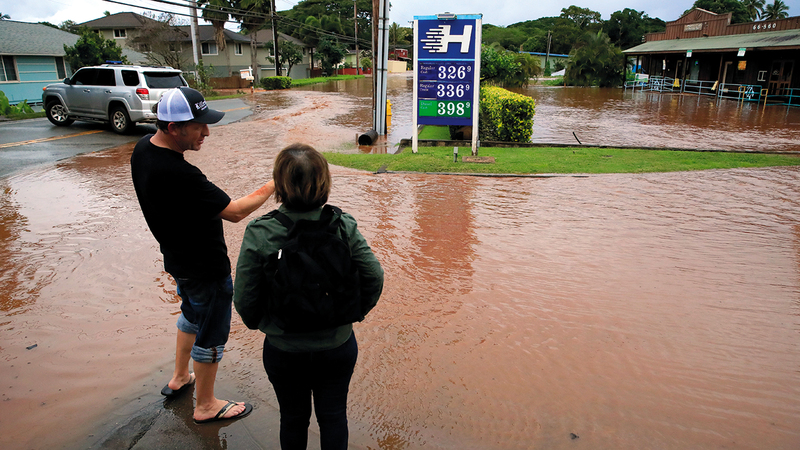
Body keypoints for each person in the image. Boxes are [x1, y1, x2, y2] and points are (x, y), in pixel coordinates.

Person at [130, 86, 275, 424]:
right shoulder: (180, 174)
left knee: (191, 316)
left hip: (178, 261)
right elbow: (236, 211)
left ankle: (180, 376)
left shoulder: (143, 149)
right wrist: (274, 184)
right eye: (199, 126)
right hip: (206, 268)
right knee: (211, 332)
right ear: (173, 128)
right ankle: (206, 405)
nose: (207, 132)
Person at [234, 143, 384, 449]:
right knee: (334, 416)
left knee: (292, 418)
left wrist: (266, 324)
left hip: (283, 348)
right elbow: (374, 276)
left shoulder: (260, 231)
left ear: (279, 184)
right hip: (337, 344)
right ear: (324, 181)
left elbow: (244, 297)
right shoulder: (343, 225)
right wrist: (353, 312)